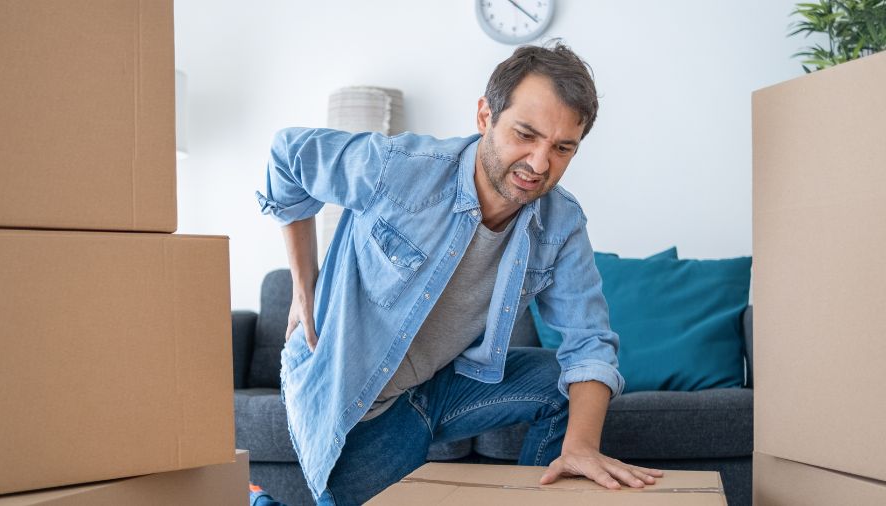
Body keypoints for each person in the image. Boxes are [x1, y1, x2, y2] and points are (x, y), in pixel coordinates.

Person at [256, 40, 663, 506]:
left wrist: (581, 447)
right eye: (525, 134)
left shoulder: (561, 223)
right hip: (357, 407)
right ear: (485, 116)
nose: (539, 164)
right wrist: (302, 285)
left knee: (571, 386)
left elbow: (589, 343)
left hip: (444, 385)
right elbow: (287, 156)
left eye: (562, 147)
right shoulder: (399, 168)